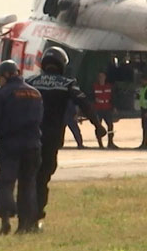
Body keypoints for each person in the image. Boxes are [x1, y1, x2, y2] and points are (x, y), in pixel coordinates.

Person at [27, 47, 106, 229]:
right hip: (52, 138)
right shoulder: (67, 83)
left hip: (29, 135)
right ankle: (36, 215)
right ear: (62, 64)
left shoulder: (31, 81)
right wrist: (98, 126)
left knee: (28, 176)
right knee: (43, 177)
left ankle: (25, 215)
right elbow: (85, 104)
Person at [0, 60, 43, 234]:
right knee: (28, 185)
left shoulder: (3, 93)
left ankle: (5, 219)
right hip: (33, 146)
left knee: (6, 183)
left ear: (6, 75)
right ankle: (27, 225)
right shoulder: (35, 93)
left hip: (11, 145)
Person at [92, 71, 118, 149]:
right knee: (98, 126)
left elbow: (113, 97)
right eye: (100, 77)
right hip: (98, 109)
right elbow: (91, 97)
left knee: (110, 125)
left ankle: (110, 142)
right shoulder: (94, 86)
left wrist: (114, 107)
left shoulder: (109, 86)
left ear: (105, 77)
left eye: (102, 77)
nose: (101, 78)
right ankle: (100, 143)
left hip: (107, 108)